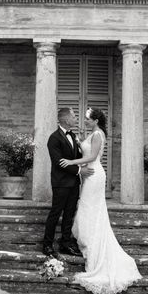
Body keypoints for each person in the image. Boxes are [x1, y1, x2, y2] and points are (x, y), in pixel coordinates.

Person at [59, 107, 142, 294]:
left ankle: (93, 245)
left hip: (95, 175)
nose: (85, 121)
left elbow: (91, 157)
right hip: (89, 175)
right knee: (89, 209)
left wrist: (71, 162)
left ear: (95, 120)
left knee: (89, 209)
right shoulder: (93, 134)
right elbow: (86, 150)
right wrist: (79, 141)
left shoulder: (97, 134)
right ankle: (89, 241)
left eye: (88, 119)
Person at [42, 107, 93, 257]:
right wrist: (79, 171)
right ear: (65, 119)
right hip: (61, 183)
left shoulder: (73, 136)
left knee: (70, 214)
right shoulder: (54, 138)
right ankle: (47, 245)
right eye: (74, 116)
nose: (76, 119)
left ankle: (65, 243)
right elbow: (59, 163)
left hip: (74, 183)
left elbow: (76, 157)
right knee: (55, 213)